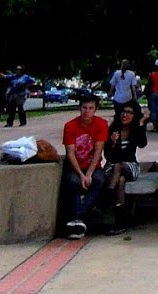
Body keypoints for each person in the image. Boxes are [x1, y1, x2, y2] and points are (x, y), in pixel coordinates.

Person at [61, 97, 110, 239]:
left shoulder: (101, 124)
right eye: (84, 108)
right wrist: (82, 175)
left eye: (90, 108)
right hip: (75, 167)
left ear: (95, 109)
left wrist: (88, 174)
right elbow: (70, 153)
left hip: (93, 167)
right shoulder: (70, 126)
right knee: (74, 182)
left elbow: (98, 151)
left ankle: (77, 219)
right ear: (79, 108)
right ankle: (79, 220)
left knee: (99, 180)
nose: (86, 111)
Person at [103, 100, 148, 234]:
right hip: (112, 166)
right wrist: (111, 142)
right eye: (123, 111)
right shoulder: (112, 130)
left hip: (130, 166)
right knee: (120, 180)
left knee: (120, 166)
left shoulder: (135, 129)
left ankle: (107, 194)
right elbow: (108, 155)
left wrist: (141, 124)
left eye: (129, 112)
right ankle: (120, 220)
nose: (125, 115)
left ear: (135, 115)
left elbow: (142, 144)